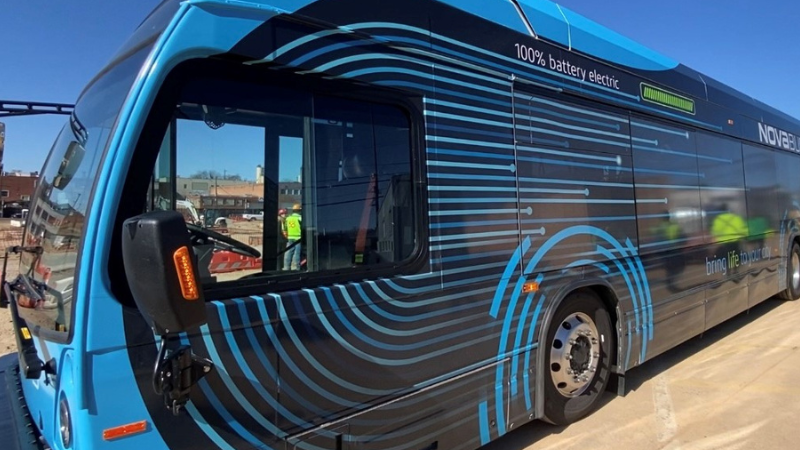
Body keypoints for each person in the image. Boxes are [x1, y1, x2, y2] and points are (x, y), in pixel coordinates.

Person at [283, 203, 302, 270]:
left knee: (288, 253)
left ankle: (286, 267)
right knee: (296, 254)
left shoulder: (288, 218)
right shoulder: (300, 218)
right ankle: (296, 268)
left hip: (290, 237)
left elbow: (285, 229)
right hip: (298, 238)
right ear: (299, 210)